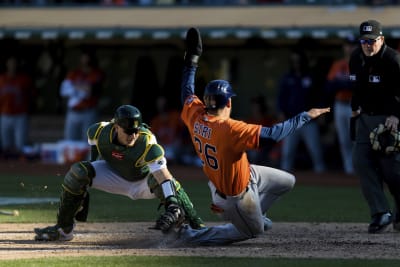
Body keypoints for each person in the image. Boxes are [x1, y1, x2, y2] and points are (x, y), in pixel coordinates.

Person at [173, 27, 330, 245]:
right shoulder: (231, 128)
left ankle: (253, 215)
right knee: (254, 232)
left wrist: (191, 60)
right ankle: (192, 235)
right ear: (228, 102)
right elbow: (273, 135)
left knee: (287, 182)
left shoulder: (196, 115)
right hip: (233, 198)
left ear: (207, 101)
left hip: (244, 177)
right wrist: (306, 115)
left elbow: (187, 92)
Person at [34, 104, 204, 241]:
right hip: (114, 175)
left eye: (136, 131)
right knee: (78, 172)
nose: (133, 135)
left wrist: (172, 202)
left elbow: (163, 175)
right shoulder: (98, 132)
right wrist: (85, 188)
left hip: (143, 181)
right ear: (116, 127)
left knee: (169, 186)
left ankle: (197, 227)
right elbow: (93, 160)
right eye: (128, 131)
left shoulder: (147, 142)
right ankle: (64, 229)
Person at [349, 19, 400, 233]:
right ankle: (380, 213)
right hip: (365, 119)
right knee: (361, 161)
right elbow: (356, 88)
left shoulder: (393, 59)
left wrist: (396, 116)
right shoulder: (356, 57)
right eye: (364, 41)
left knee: (393, 171)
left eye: (372, 41)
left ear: (382, 39)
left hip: (389, 120)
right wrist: (355, 109)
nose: (367, 45)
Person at [277, 49, 326, 173]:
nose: (296, 64)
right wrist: (281, 112)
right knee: (288, 153)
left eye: (298, 61)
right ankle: (283, 179)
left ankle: (322, 179)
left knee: (315, 152)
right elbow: (281, 97)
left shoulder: (311, 76)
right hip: (292, 121)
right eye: (293, 61)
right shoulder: (288, 77)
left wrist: (321, 114)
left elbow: (319, 96)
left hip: (309, 121)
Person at [325, 37, 357, 174]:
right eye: (347, 45)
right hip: (340, 104)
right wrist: (346, 83)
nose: (349, 48)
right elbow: (330, 86)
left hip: (355, 105)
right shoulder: (338, 64)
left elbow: (356, 85)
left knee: (356, 138)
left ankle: (359, 168)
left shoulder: (361, 63)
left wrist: (342, 82)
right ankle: (349, 169)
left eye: (352, 45)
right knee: (344, 140)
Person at [59, 50, 104, 142]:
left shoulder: (96, 73)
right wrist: (80, 87)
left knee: (88, 142)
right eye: (83, 58)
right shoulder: (75, 73)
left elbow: (90, 90)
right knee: (70, 142)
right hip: (73, 111)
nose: (85, 60)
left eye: (87, 58)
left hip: (88, 111)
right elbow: (64, 89)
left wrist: (75, 86)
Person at [0, 55, 35, 159]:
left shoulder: (24, 79)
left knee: (20, 145)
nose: (12, 66)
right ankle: (9, 169)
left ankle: (21, 169)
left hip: (20, 115)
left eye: (14, 63)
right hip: (5, 114)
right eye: (10, 63)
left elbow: (31, 96)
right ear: (7, 64)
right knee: (6, 145)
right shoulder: (1, 79)